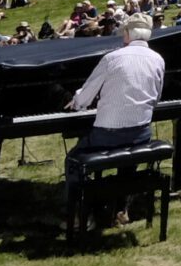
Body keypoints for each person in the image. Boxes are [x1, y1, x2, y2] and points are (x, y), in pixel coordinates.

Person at [64, 15, 165, 191]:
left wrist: (76, 102)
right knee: (129, 160)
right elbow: (156, 98)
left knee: (72, 158)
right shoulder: (158, 59)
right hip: (141, 134)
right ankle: (121, 204)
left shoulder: (111, 58)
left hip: (107, 136)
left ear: (127, 34)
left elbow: (86, 96)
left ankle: (78, 205)